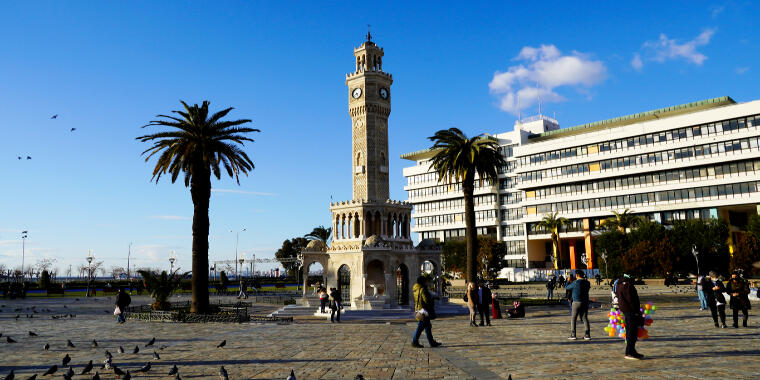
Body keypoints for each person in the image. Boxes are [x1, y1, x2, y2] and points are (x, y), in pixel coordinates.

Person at [616, 274, 644, 360]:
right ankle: (629, 352)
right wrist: (636, 311)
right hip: (630, 311)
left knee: (630, 331)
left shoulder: (619, 284)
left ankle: (632, 350)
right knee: (632, 332)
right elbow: (631, 300)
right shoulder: (627, 285)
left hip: (626, 310)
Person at [411, 276, 441, 348]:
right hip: (423, 311)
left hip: (418, 309)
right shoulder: (423, 290)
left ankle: (431, 342)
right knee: (420, 327)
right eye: (426, 281)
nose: (427, 282)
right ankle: (415, 341)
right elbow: (426, 300)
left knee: (427, 326)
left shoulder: (416, 289)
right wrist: (433, 298)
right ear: (423, 282)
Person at [566, 270, 591, 340]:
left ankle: (573, 334)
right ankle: (587, 334)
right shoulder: (587, 282)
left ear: (577, 275)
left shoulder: (575, 283)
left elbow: (567, 287)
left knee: (573, 318)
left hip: (576, 302)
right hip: (585, 302)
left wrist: (568, 280)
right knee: (584, 318)